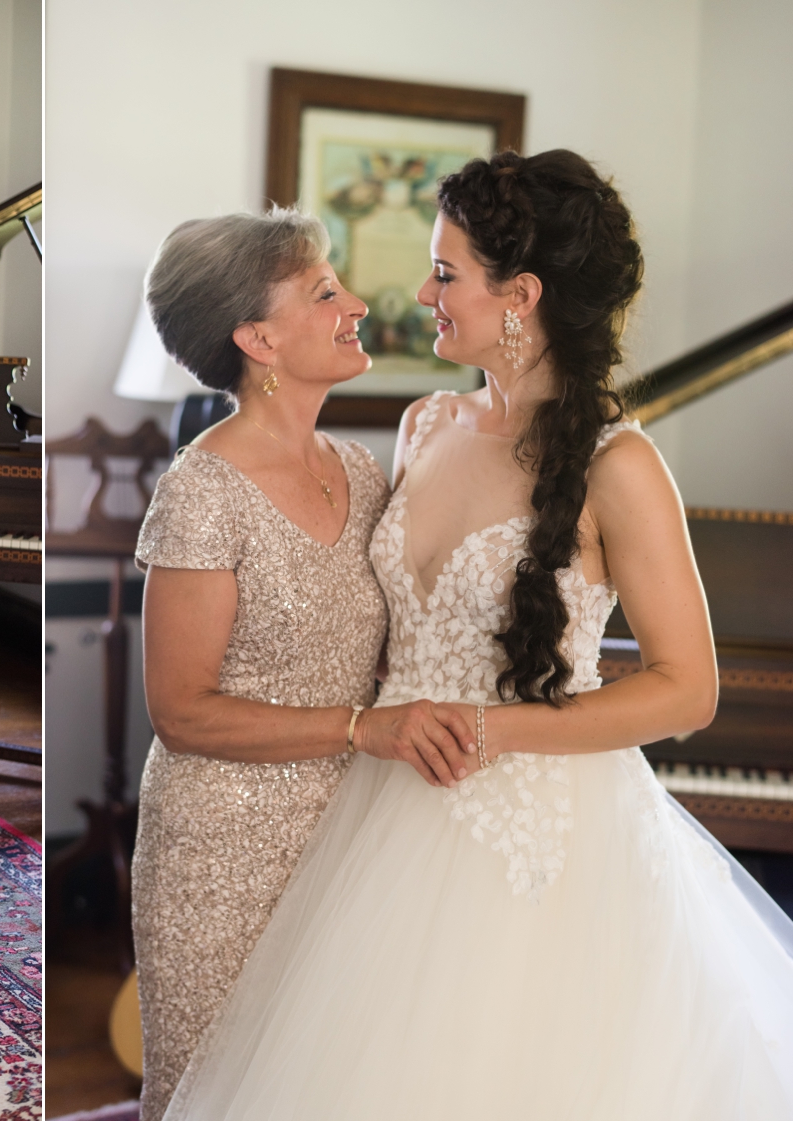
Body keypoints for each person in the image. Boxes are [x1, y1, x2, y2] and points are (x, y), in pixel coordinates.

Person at [163, 151, 793, 1121]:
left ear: (521, 295)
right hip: (376, 810)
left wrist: (490, 727)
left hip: (540, 833)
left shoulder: (621, 467)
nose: (420, 293)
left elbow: (686, 688)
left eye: (446, 271)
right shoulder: (423, 424)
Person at [132, 208, 480, 1121]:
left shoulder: (364, 473)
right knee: (220, 1088)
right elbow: (181, 710)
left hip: (354, 839)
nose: (357, 303)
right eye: (326, 292)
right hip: (219, 850)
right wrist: (364, 728)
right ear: (257, 338)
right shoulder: (201, 490)